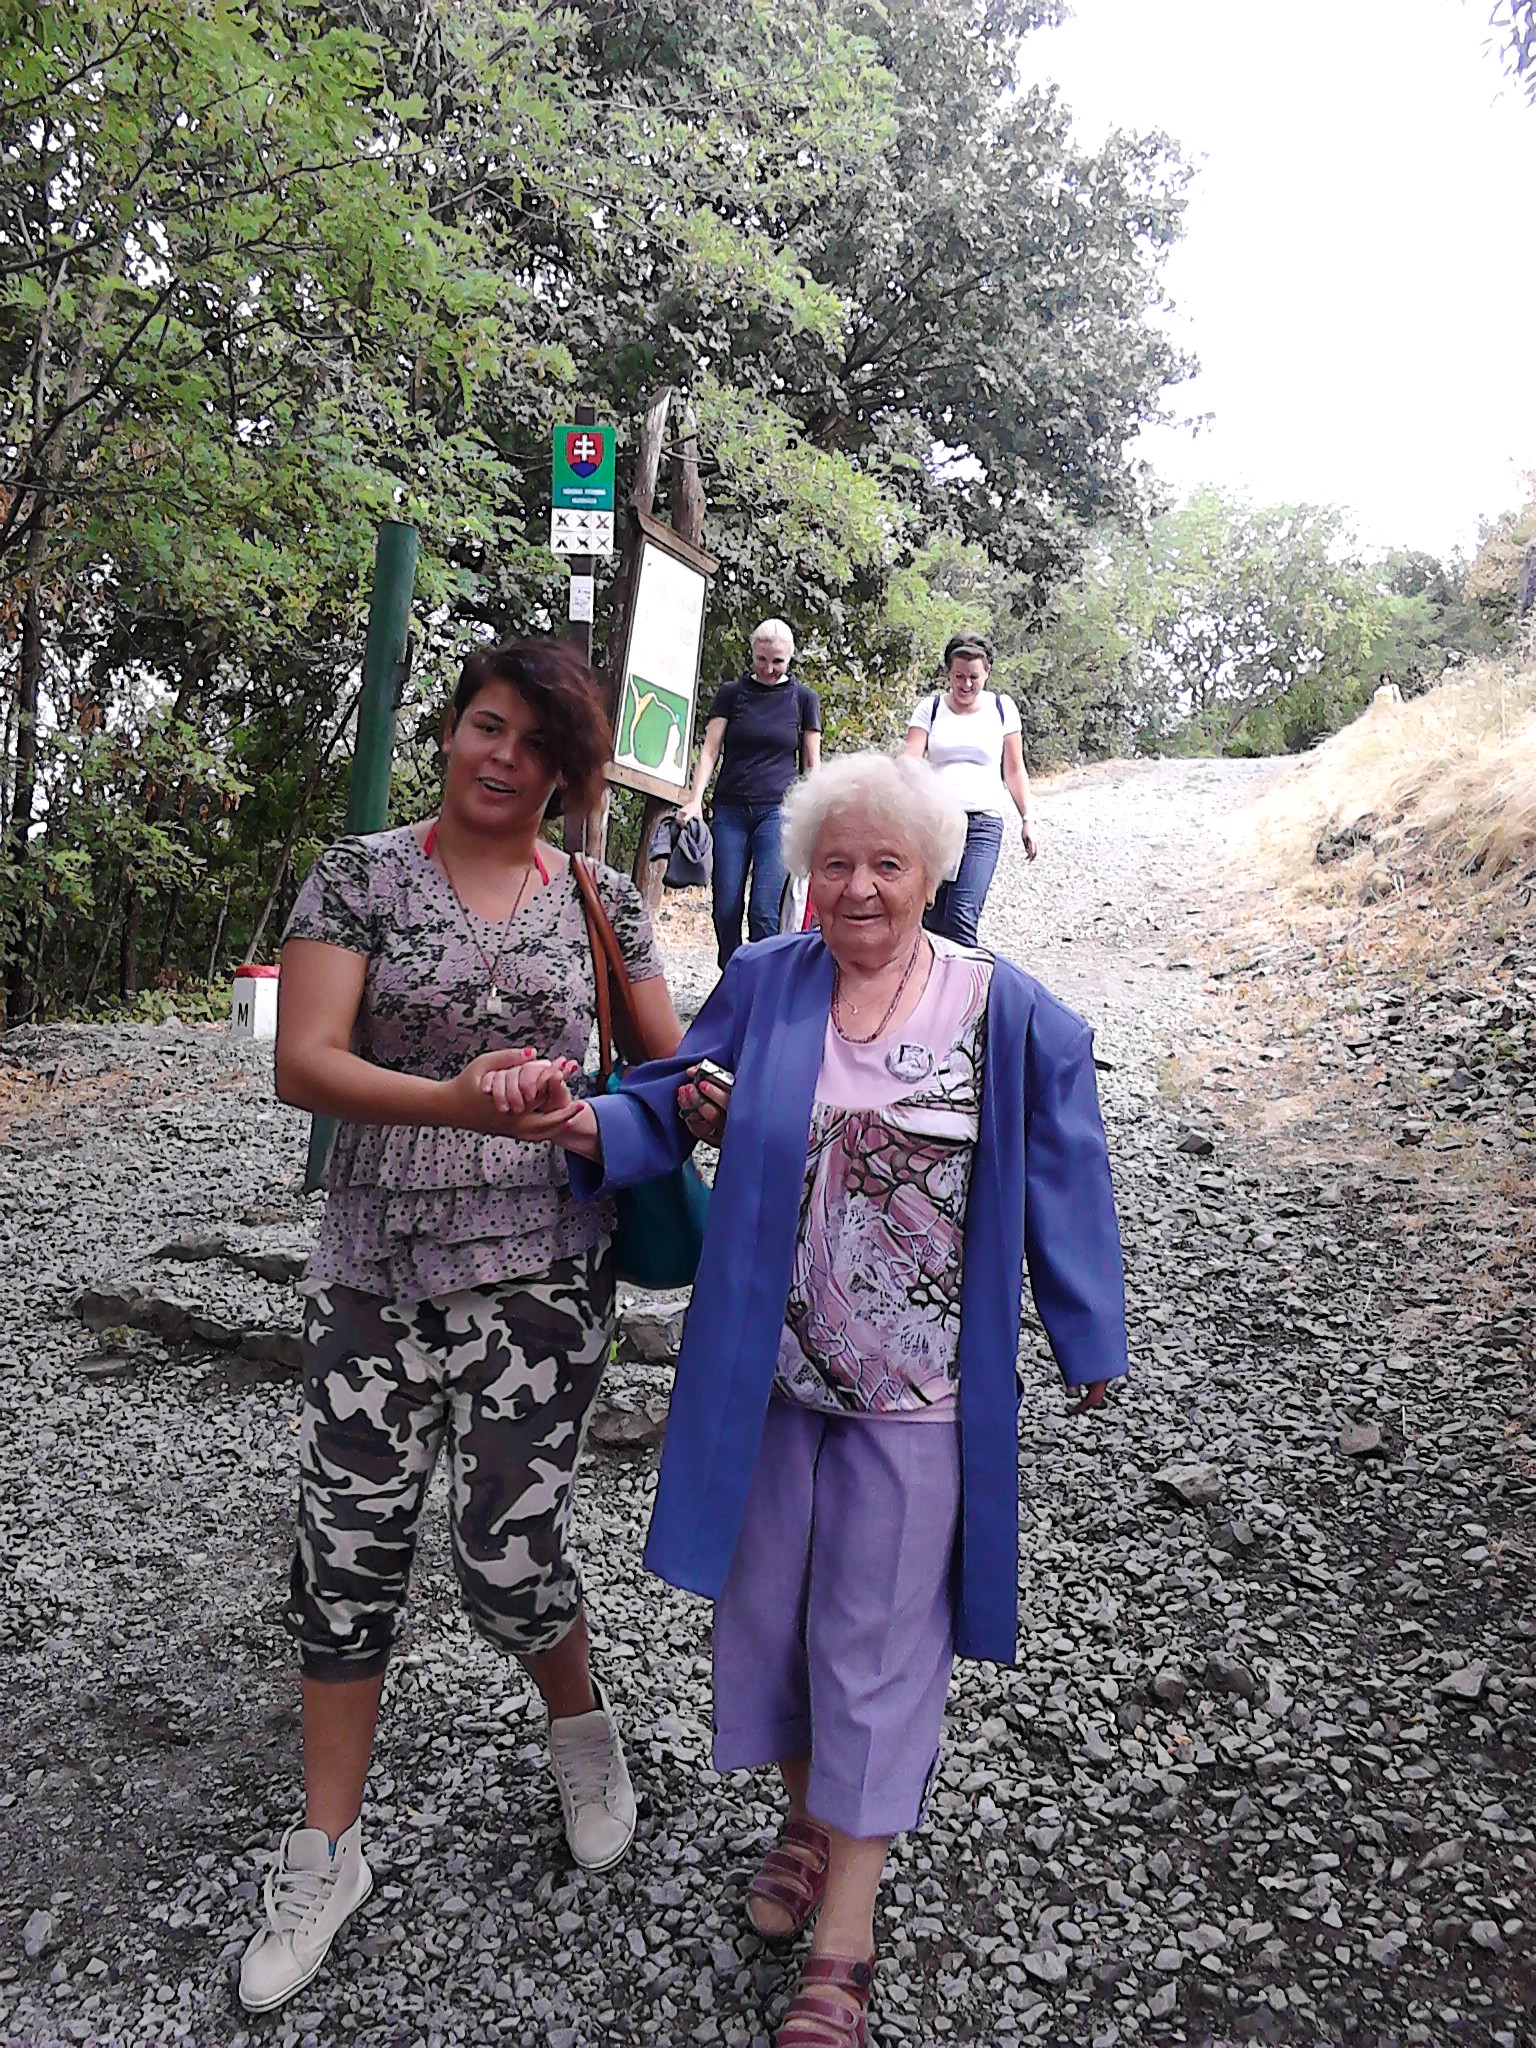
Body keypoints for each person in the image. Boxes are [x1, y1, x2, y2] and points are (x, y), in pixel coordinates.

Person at [490, 752, 1129, 2048]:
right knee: (772, 1626)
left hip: (919, 1398)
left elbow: (1068, 1166)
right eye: (835, 863)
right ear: (805, 875)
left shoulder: (1006, 1012)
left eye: (887, 863)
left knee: (876, 1650)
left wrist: (1086, 1330)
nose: (859, 887)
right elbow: (672, 1096)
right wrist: (584, 1124)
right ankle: (808, 1816)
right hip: (769, 1382)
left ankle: (845, 1938)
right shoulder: (772, 982)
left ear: (932, 873)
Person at [237, 639, 685, 2016]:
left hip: (544, 1275)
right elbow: (304, 1062)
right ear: (450, 730)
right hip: (374, 1271)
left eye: (537, 744)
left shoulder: (602, 900)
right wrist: (454, 1101)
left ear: (567, 772)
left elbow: (672, 1075)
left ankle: (581, 1727)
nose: (505, 757)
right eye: (489, 726)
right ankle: (326, 1849)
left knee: (510, 1554)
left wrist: (600, 1112)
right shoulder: (360, 877)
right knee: (346, 1551)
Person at [677, 617, 822, 966]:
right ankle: (732, 977)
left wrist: (816, 815)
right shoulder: (732, 694)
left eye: (778, 662)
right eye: (762, 659)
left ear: (790, 658)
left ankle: (763, 981)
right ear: (753, 654)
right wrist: (695, 800)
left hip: (778, 811)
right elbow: (710, 749)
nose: (769, 669)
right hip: (731, 811)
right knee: (726, 906)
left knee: (764, 909)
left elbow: (812, 763)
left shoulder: (803, 699)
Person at [901, 632, 1038, 946]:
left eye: (974, 677)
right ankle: (931, 977)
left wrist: (1027, 818)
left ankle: (966, 978)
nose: (965, 685)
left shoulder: (1002, 708)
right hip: (936, 824)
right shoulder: (930, 708)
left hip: (982, 822)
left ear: (987, 673)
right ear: (948, 673)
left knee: (962, 915)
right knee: (931, 917)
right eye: (959, 676)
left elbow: (1014, 769)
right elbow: (910, 760)